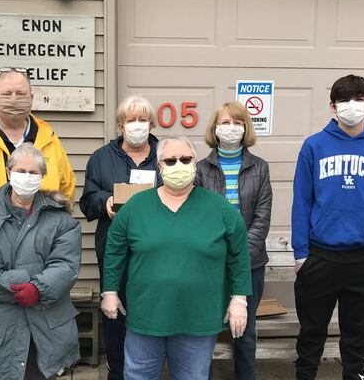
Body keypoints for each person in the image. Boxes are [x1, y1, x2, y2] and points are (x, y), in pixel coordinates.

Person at [100, 135, 252, 380]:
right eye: (170, 161)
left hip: (198, 317)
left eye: (185, 159)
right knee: (138, 375)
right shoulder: (135, 207)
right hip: (146, 315)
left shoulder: (220, 208)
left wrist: (239, 300)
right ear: (159, 167)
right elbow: (114, 250)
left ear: (195, 163)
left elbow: (239, 255)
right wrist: (110, 292)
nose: (178, 165)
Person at [291, 75, 364, 380]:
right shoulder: (314, 146)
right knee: (311, 334)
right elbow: (302, 201)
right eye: (344, 100)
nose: (352, 106)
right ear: (332, 106)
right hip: (320, 257)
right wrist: (301, 255)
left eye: (359, 99)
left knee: (357, 337)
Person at [0, 142, 82, 380]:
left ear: (42, 176)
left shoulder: (61, 220)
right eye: (20, 171)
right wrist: (29, 282)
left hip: (45, 329)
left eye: (33, 172)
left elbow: (65, 266)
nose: (26, 177)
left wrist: (38, 289)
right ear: (8, 172)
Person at [79, 95, 161, 380]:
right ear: (120, 125)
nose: (137, 125)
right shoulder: (101, 158)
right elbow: (86, 201)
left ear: (151, 123)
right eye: (131, 120)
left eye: (142, 119)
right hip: (115, 250)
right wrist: (106, 202)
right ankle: (118, 372)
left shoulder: (165, 156)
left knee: (152, 311)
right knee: (115, 314)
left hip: (157, 253)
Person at [195, 101, 272, 380]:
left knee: (245, 332)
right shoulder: (200, 169)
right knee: (207, 331)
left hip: (251, 264)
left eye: (237, 123)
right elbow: (199, 218)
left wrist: (239, 257)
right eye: (225, 122)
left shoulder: (260, 168)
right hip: (212, 264)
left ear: (245, 128)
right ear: (215, 129)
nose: (231, 128)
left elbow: (262, 218)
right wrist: (218, 256)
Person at [0, 67, 75, 200]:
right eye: (7, 94)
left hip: (43, 219)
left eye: (20, 94)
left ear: (31, 98)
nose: (14, 99)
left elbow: (66, 189)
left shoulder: (49, 138)